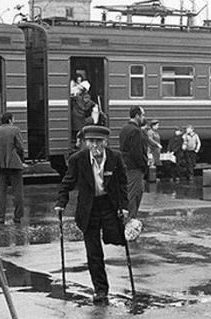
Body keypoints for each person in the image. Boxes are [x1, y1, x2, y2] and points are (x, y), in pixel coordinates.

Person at [55, 125, 128, 304]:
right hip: (89, 208)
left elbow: (122, 184)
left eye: (98, 141)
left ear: (105, 142)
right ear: (86, 142)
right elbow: (67, 182)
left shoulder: (115, 158)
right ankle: (101, 289)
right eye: (91, 141)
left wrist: (124, 206)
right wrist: (60, 203)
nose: (94, 145)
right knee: (94, 252)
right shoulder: (77, 160)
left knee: (116, 238)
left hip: (109, 205)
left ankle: (115, 246)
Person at [0, 112, 25, 225]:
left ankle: (0, 217)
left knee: (0, 192)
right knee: (18, 192)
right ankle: (17, 217)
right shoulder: (15, 130)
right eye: (13, 119)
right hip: (14, 164)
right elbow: (20, 147)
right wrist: (21, 161)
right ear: (9, 120)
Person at [118, 105, 148, 218]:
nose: (144, 118)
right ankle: (130, 220)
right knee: (134, 195)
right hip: (135, 168)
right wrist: (144, 166)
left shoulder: (124, 128)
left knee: (128, 192)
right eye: (143, 115)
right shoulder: (136, 131)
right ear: (137, 115)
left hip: (126, 165)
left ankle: (127, 218)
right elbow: (137, 153)